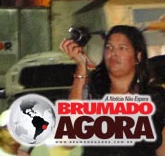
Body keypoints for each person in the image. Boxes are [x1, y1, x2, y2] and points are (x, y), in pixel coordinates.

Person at [60, 24, 165, 155]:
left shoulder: (155, 98)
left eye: (122, 48)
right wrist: (81, 68)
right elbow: (68, 141)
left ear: (138, 56)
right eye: (109, 47)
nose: (113, 53)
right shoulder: (92, 93)